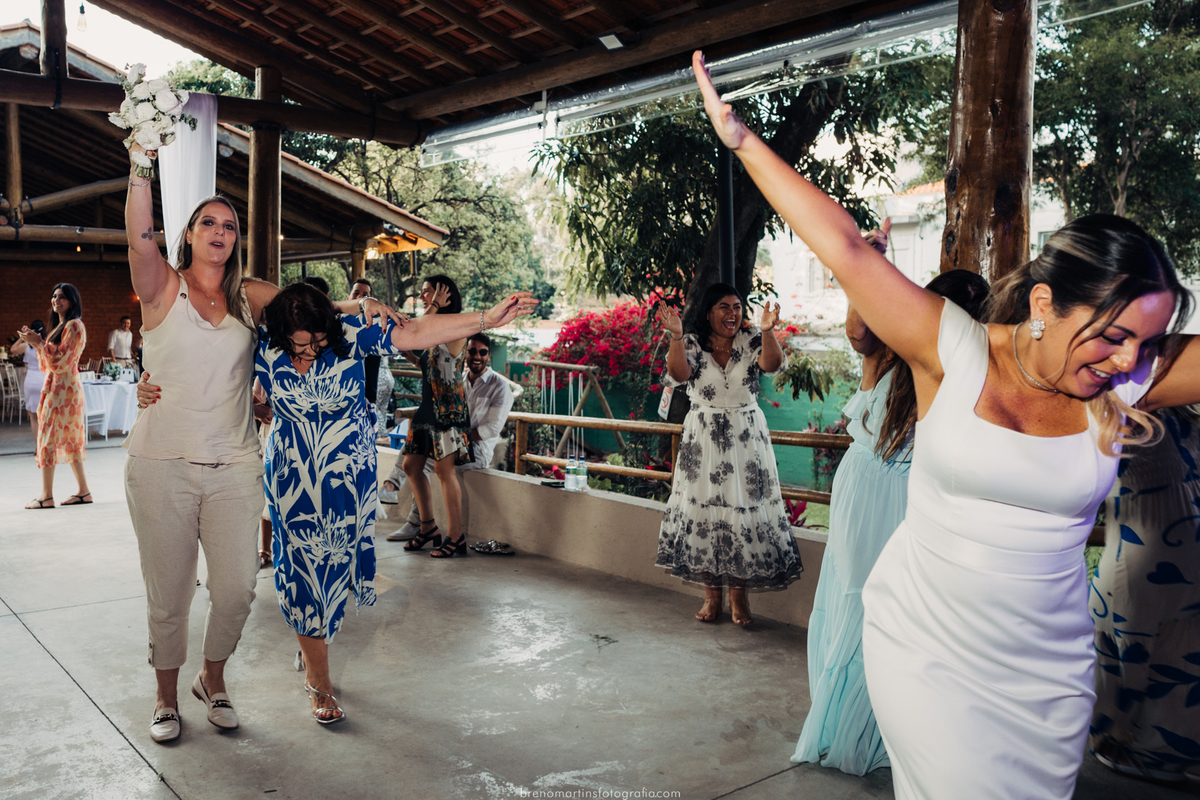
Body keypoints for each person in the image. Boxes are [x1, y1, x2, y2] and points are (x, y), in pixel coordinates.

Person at [692, 49, 1200, 799]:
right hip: (930, 650)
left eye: (1147, 343)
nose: (1129, 360)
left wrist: (1136, 357)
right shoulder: (954, 350)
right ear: (1044, 304)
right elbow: (846, 247)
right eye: (1113, 334)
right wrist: (742, 142)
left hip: (1050, 674)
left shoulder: (1123, 377)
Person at [122, 140, 412, 745]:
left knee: (236, 590)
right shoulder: (162, 286)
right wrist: (141, 165)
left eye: (229, 225)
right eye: (209, 222)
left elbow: (309, 312)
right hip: (161, 462)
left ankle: (212, 678)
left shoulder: (247, 297)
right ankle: (165, 696)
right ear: (189, 234)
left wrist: (361, 303)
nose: (220, 232)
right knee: (169, 594)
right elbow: (140, 239)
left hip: (234, 462)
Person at [793, 267, 990, 775]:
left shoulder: (968, 372)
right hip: (863, 486)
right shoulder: (890, 353)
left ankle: (878, 727)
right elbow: (858, 330)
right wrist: (864, 269)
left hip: (910, 495)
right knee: (854, 600)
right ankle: (842, 723)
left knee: (891, 611)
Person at [654, 283, 801, 626]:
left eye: (737, 306)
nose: (732, 313)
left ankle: (737, 597)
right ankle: (712, 596)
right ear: (708, 312)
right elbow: (678, 374)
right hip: (703, 437)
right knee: (705, 510)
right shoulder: (691, 343)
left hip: (745, 438)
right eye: (724, 306)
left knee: (741, 509)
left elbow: (772, 364)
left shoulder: (751, 339)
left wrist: (768, 331)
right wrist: (676, 336)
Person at [1089, 405, 1200, 784]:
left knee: (1181, 658)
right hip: (1143, 559)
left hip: (1179, 556)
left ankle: (1165, 750)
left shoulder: (1184, 409)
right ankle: (1135, 746)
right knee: (1136, 652)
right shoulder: (1111, 403)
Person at [382, 331, 514, 542]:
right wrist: (413, 358)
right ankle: (396, 494)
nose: (477, 356)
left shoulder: (499, 386)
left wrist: (453, 436)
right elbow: (436, 375)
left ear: (489, 355)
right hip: (452, 442)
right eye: (472, 351)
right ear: (465, 353)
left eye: (482, 352)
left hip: (476, 451)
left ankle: (416, 521)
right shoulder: (460, 379)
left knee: (421, 459)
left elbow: (491, 430)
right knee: (416, 452)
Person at [400, 276, 477, 559]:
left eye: (427, 292)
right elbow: (430, 359)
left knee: (445, 472)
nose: (422, 297)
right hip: (427, 408)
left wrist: (433, 306)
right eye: (422, 293)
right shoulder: (434, 329)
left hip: (447, 411)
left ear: (444, 295)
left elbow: (421, 330)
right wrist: (411, 357)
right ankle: (428, 527)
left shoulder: (454, 327)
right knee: (411, 466)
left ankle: (456, 536)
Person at [18, 285, 92, 510]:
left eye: (62, 297)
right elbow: (47, 365)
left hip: (63, 392)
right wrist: (35, 342)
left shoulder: (74, 325)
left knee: (49, 438)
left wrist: (39, 343)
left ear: (72, 301)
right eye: (54, 296)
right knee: (70, 440)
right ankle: (83, 491)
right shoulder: (62, 326)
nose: (56, 300)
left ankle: (46, 495)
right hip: (60, 389)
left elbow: (61, 361)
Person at [346, 278, 394, 427]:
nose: (361, 297)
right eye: (356, 293)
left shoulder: (377, 326)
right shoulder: (338, 325)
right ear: (348, 298)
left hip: (367, 397)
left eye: (365, 295)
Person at [10, 319, 46, 438]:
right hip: (44, 382)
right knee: (45, 416)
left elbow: (13, 349)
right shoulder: (46, 346)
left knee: (33, 417)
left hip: (31, 382)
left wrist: (22, 336)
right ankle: (45, 445)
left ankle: (37, 446)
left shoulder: (26, 346)